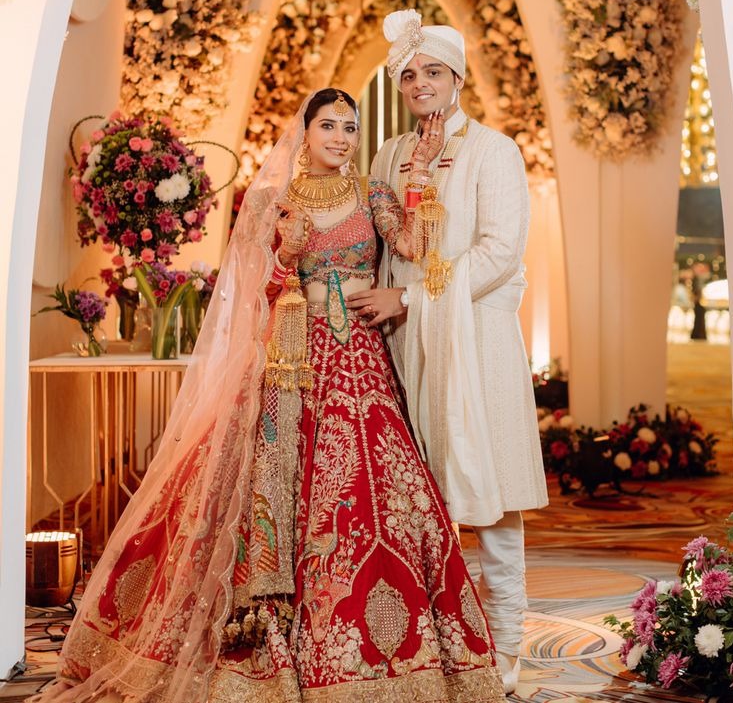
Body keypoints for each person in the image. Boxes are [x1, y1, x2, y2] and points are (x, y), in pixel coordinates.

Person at [38, 89, 505, 703]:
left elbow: (416, 246)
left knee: (384, 498)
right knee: (267, 491)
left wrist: (420, 176)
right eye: (329, 125)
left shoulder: (374, 194)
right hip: (292, 362)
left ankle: (388, 662)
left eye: (350, 127)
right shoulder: (271, 202)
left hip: (363, 362)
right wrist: (286, 253)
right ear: (304, 131)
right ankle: (264, 637)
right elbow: (249, 291)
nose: (341, 137)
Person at [348, 10, 549, 695]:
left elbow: (498, 253)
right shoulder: (386, 156)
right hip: (403, 345)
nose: (419, 83)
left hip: (474, 337)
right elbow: (375, 246)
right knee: (415, 503)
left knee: (492, 501)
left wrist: (410, 300)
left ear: (457, 78)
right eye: (408, 75)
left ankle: (509, 647)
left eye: (433, 71)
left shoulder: (492, 151)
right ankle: (433, 643)